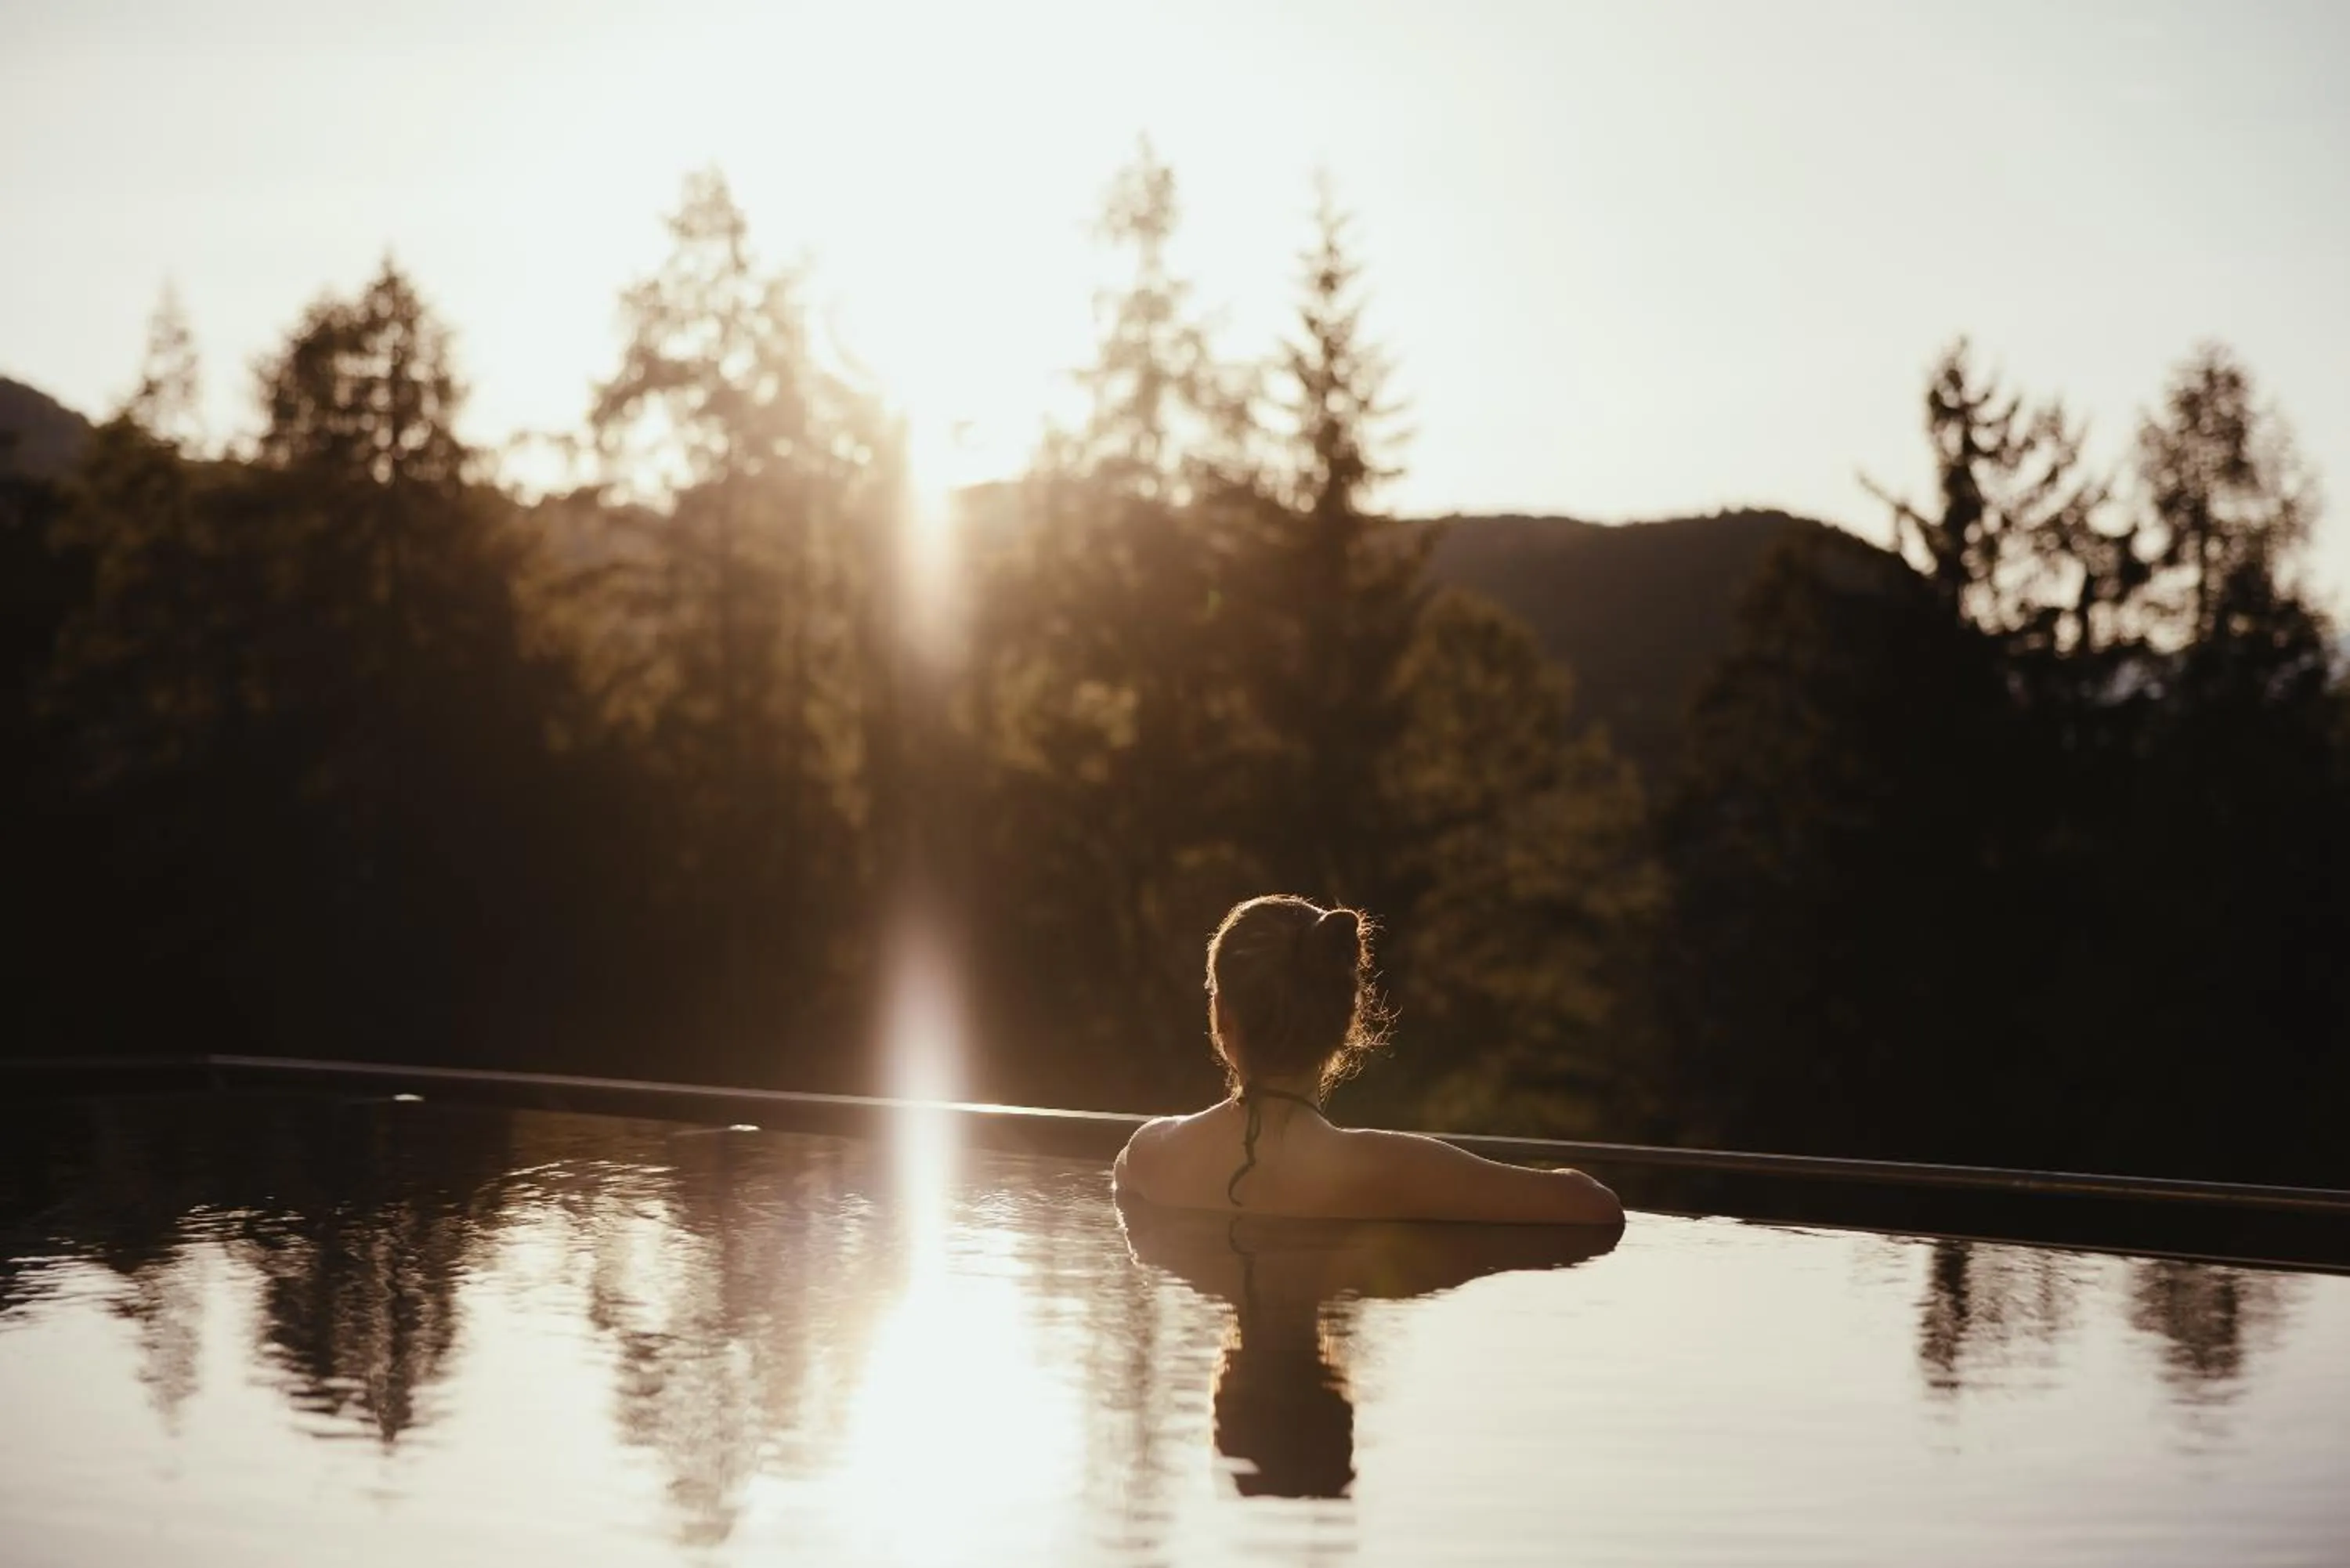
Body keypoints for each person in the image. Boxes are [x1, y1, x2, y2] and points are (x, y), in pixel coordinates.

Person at [1113, 894, 1625, 1225]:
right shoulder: (1388, 1170)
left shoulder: (1153, 1153)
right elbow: (1595, 1208)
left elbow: (1124, 1178)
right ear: (1344, 1023)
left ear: (1222, 1016)